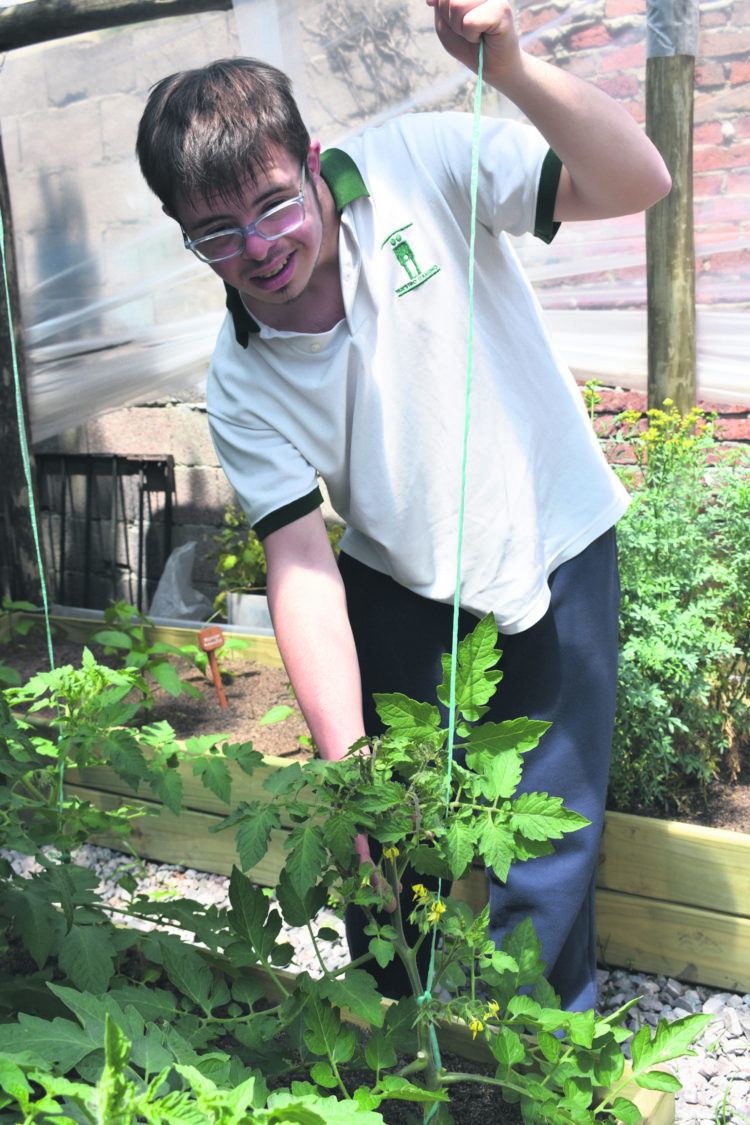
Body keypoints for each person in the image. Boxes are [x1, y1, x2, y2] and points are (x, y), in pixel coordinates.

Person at [136, 0, 671, 1013]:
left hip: (554, 542)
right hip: (401, 578)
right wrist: (347, 773)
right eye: (215, 232)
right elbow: (300, 564)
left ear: (313, 161)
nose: (258, 247)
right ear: (184, 233)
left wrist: (507, 65)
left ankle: (547, 1067)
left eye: (275, 204)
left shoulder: (419, 164)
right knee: (391, 849)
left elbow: (638, 182)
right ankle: (394, 1061)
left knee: (547, 843)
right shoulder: (241, 377)